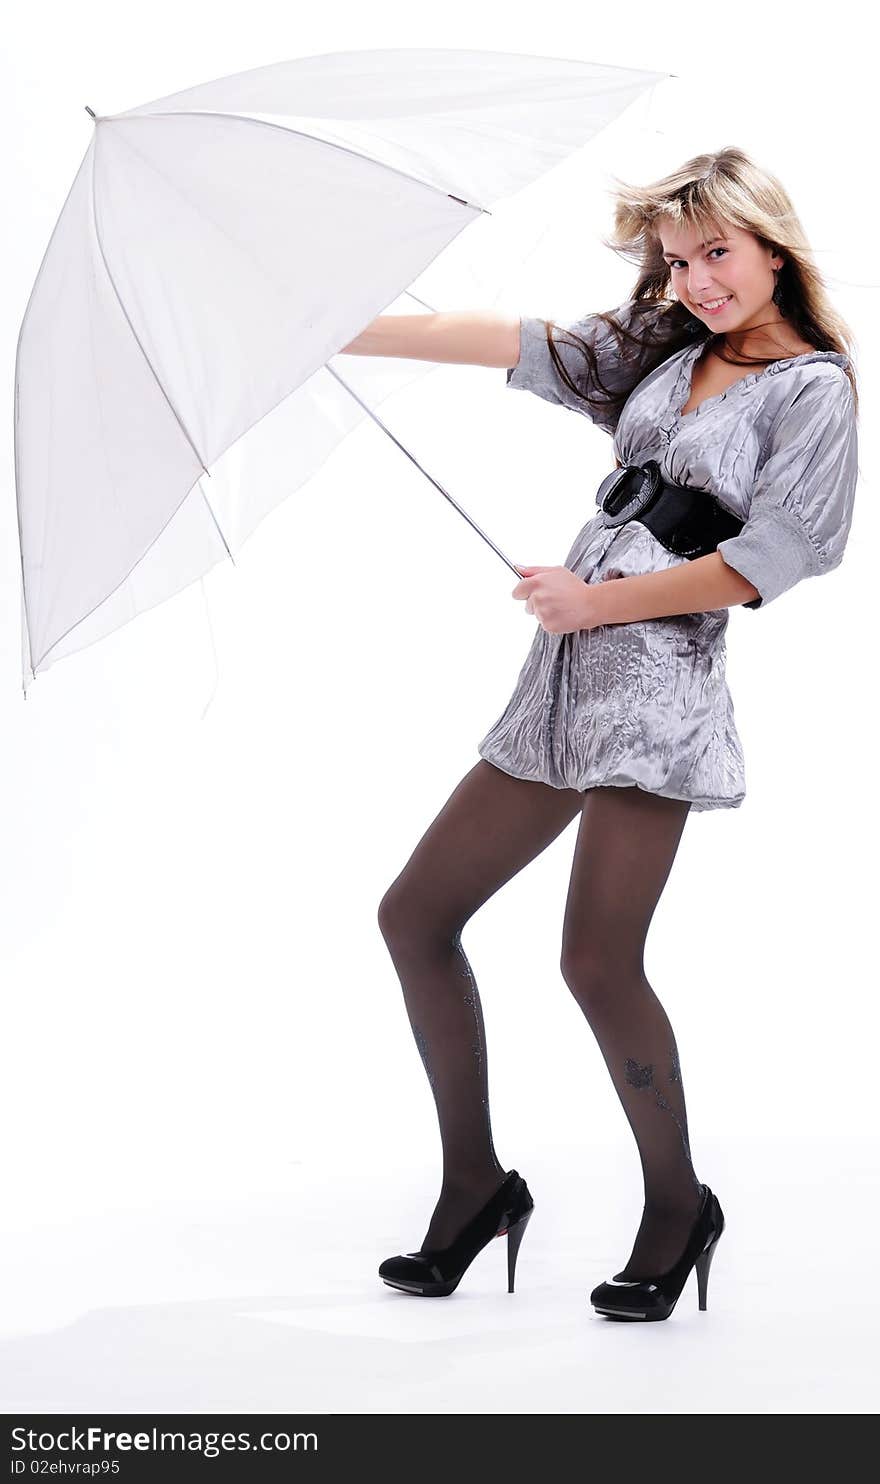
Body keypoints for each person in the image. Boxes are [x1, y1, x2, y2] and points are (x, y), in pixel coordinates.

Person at [340, 146, 859, 1321]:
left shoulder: (814, 388)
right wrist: (338, 329)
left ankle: (677, 1205)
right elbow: (517, 342)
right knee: (415, 915)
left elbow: (770, 563)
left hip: (659, 683)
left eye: (715, 252)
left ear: (773, 247)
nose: (697, 279)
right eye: (677, 260)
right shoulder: (667, 345)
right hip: (564, 671)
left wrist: (599, 602)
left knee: (594, 956)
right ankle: (474, 1187)